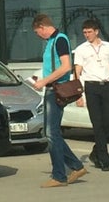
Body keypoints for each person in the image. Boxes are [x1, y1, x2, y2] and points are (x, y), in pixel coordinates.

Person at [32, 13, 87, 188]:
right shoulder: (51, 42)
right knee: (51, 132)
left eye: (37, 32)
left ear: (42, 27)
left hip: (56, 90)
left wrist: (44, 81)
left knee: (51, 133)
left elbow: (66, 67)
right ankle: (76, 166)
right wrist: (42, 80)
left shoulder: (60, 39)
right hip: (51, 89)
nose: (38, 36)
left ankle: (59, 176)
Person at [73, 18, 109, 172]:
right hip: (91, 87)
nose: (87, 35)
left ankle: (95, 152)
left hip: (106, 86)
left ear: (96, 31)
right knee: (97, 124)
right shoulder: (81, 49)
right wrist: (78, 95)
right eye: (84, 32)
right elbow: (77, 72)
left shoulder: (108, 47)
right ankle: (104, 159)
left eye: (89, 32)